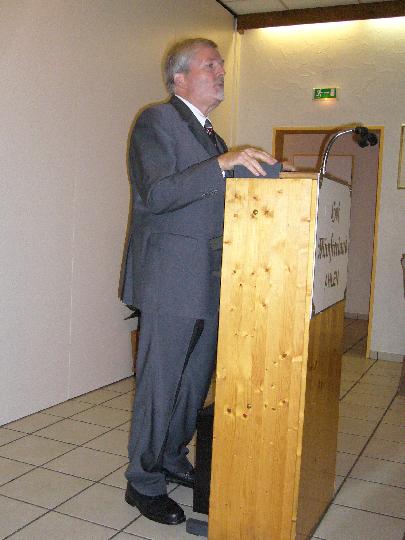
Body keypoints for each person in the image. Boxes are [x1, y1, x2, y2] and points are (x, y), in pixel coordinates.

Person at [120, 37, 277, 526]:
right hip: (170, 279)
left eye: (221, 64)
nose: (221, 71)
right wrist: (223, 164)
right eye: (211, 64)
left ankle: (171, 457)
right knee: (161, 383)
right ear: (179, 77)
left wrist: (275, 177)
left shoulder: (212, 137)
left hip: (210, 280)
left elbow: (217, 194)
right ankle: (143, 482)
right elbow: (156, 193)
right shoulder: (157, 121)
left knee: (192, 384)